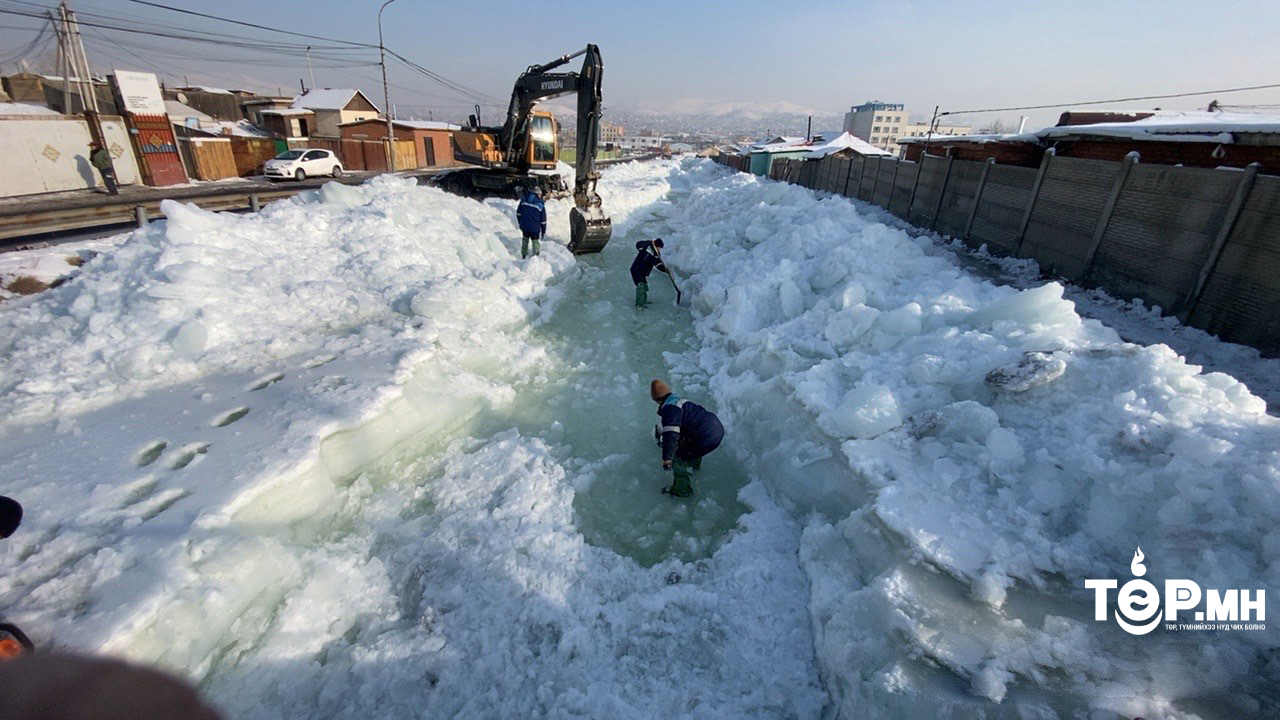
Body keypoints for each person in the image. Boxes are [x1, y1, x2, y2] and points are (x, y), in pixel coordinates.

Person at [650, 379, 723, 497]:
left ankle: (682, 490)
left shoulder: (670, 408)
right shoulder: (680, 400)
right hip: (716, 429)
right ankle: (694, 464)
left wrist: (667, 458)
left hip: (705, 437)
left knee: (678, 455)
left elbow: (671, 435)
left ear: (656, 400)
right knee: (690, 444)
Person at [630, 238, 667, 307]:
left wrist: (665, 270)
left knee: (645, 287)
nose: (659, 249)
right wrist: (649, 242)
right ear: (655, 245)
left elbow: (658, 265)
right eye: (658, 247)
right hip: (636, 270)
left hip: (643, 273)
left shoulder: (656, 255)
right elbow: (638, 244)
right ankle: (639, 305)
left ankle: (644, 301)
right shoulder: (645, 248)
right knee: (640, 286)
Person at [515, 185, 546, 259]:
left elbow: (518, 213)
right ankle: (535, 257)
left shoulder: (523, 200)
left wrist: (520, 222)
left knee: (525, 240)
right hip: (535, 227)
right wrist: (543, 230)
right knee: (535, 241)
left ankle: (524, 255)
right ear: (537, 194)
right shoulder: (540, 204)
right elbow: (543, 220)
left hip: (524, 225)